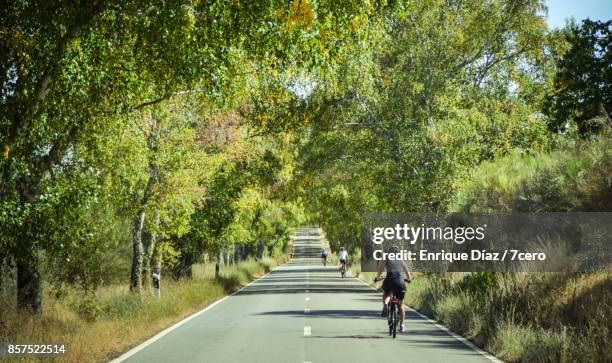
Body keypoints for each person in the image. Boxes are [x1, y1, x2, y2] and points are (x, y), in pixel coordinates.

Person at [374, 246, 412, 333]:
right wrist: (409, 279)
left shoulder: (387, 259)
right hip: (400, 282)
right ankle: (402, 325)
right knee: (401, 304)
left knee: (386, 294)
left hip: (389, 281)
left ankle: (385, 305)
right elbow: (407, 271)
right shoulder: (401, 260)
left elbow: (381, 269)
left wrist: (377, 277)